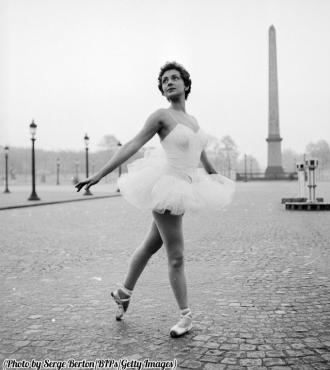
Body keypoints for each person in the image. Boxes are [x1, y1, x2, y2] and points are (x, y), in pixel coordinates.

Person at [75, 61, 235, 337]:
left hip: (186, 186)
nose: (169, 82)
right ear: (162, 90)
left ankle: (124, 293)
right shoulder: (161, 116)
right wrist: (100, 174)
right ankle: (186, 317)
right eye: (164, 81)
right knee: (176, 256)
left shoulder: (194, 122)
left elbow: (200, 156)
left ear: (186, 85)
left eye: (175, 78)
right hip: (168, 188)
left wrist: (216, 178)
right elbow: (133, 144)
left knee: (151, 245)